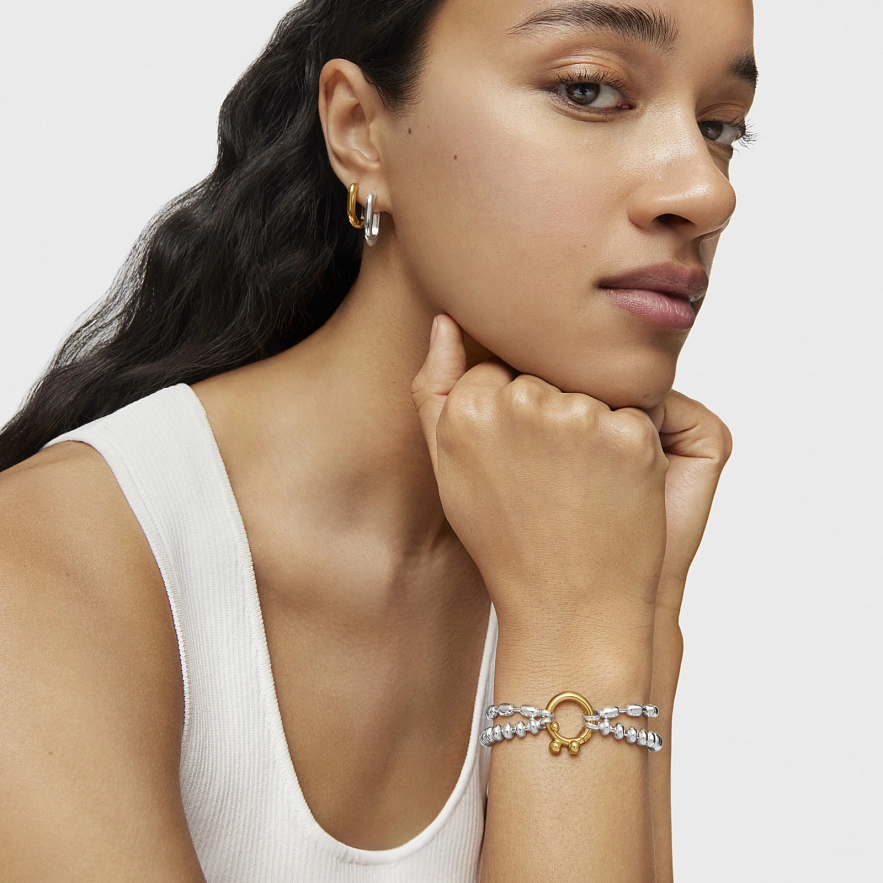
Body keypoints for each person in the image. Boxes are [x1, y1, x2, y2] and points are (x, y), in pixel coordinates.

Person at [0, 0, 756, 879]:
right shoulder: (44, 558)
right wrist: (580, 625)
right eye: (588, 89)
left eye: (719, 126)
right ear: (360, 131)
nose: (707, 193)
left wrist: (634, 608)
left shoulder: (580, 544)